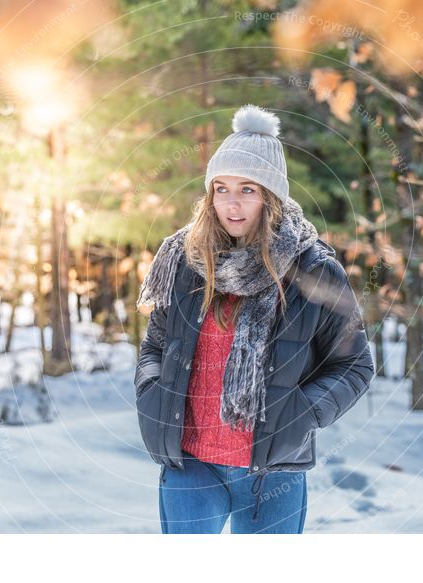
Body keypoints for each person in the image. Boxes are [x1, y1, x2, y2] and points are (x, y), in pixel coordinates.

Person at [134, 104, 374, 534]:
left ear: (271, 195)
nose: (232, 203)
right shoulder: (186, 260)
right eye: (221, 188)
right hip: (191, 463)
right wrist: (152, 393)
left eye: (248, 189)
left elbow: (355, 364)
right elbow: (155, 344)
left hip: (271, 471)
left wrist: (300, 412)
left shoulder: (312, 269)